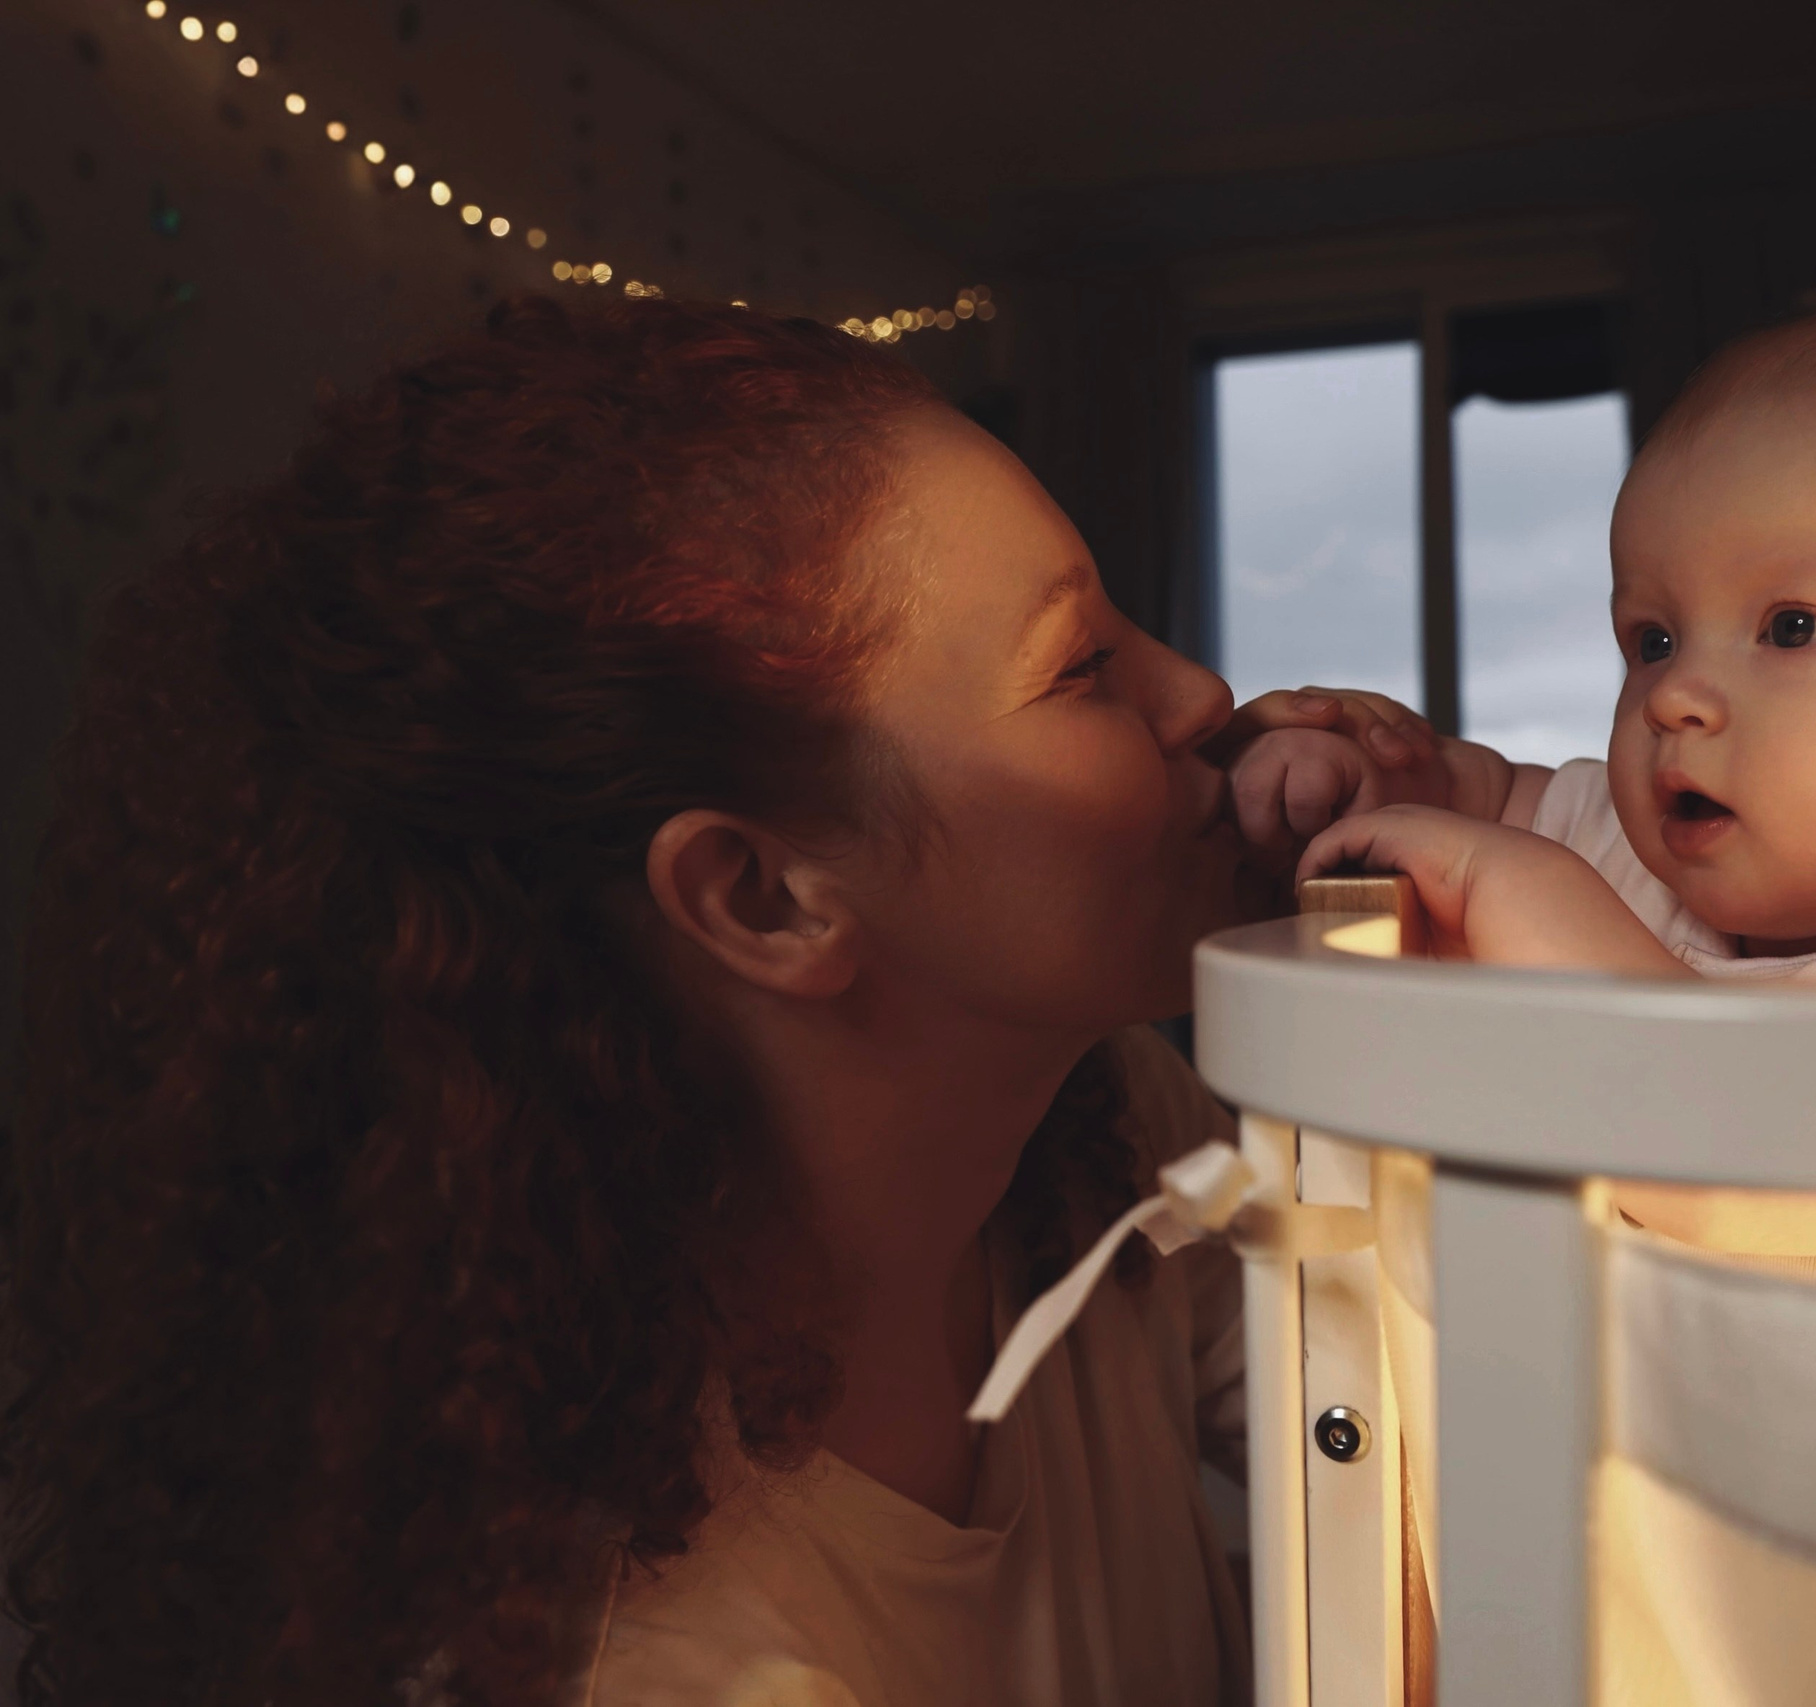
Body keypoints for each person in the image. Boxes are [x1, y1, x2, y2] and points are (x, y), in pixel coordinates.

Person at [0, 295, 1415, 1707]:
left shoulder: (1093, 1137)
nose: (1203, 691)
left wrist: (1454, 914)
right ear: (763, 897)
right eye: (1081, 668)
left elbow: (1427, 1455)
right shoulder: (660, 1663)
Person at [1232, 301, 1816, 1298]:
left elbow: (1724, 1154)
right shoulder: (1637, 861)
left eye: (1792, 627)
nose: (1671, 695)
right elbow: (1489, 803)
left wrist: (1520, 887)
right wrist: (1387, 776)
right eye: (1653, 640)